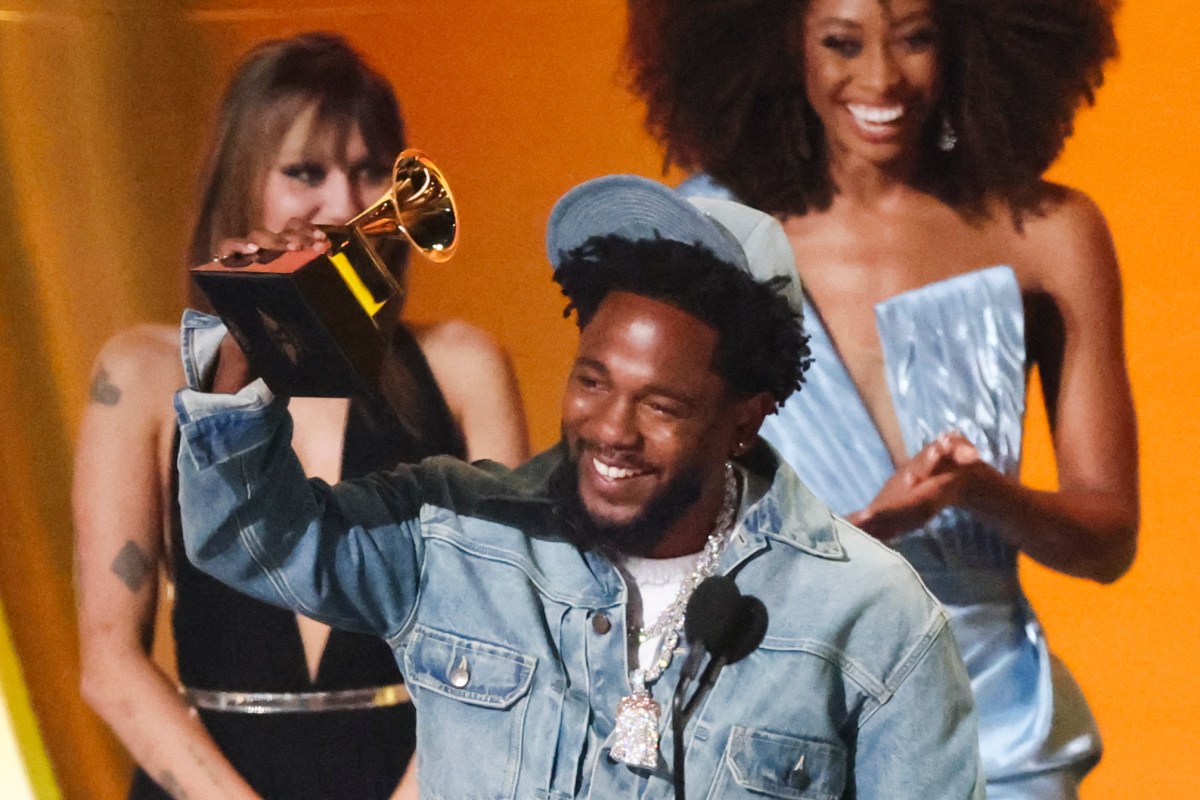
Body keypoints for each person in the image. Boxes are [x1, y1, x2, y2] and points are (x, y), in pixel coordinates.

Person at [172, 173, 986, 799]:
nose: (611, 429)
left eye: (660, 405)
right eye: (592, 381)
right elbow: (254, 542)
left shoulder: (874, 617)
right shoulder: (455, 535)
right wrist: (255, 334)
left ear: (746, 419)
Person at [624, 0, 1139, 797]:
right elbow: (641, 538)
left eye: (915, 39)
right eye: (842, 42)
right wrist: (864, 534)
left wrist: (980, 495)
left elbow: (1108, 542)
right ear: (779, 41)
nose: (880, 77)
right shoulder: (706, 239)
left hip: (986, 737)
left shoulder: (1050, 235)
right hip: (771, 726)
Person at [73, 32, 528, 799]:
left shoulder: (463, 368)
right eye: (306, 172)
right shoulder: (141, 374)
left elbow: (506, 632)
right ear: (242, 180)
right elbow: (109, 663)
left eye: (368, 173)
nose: (345, 207)